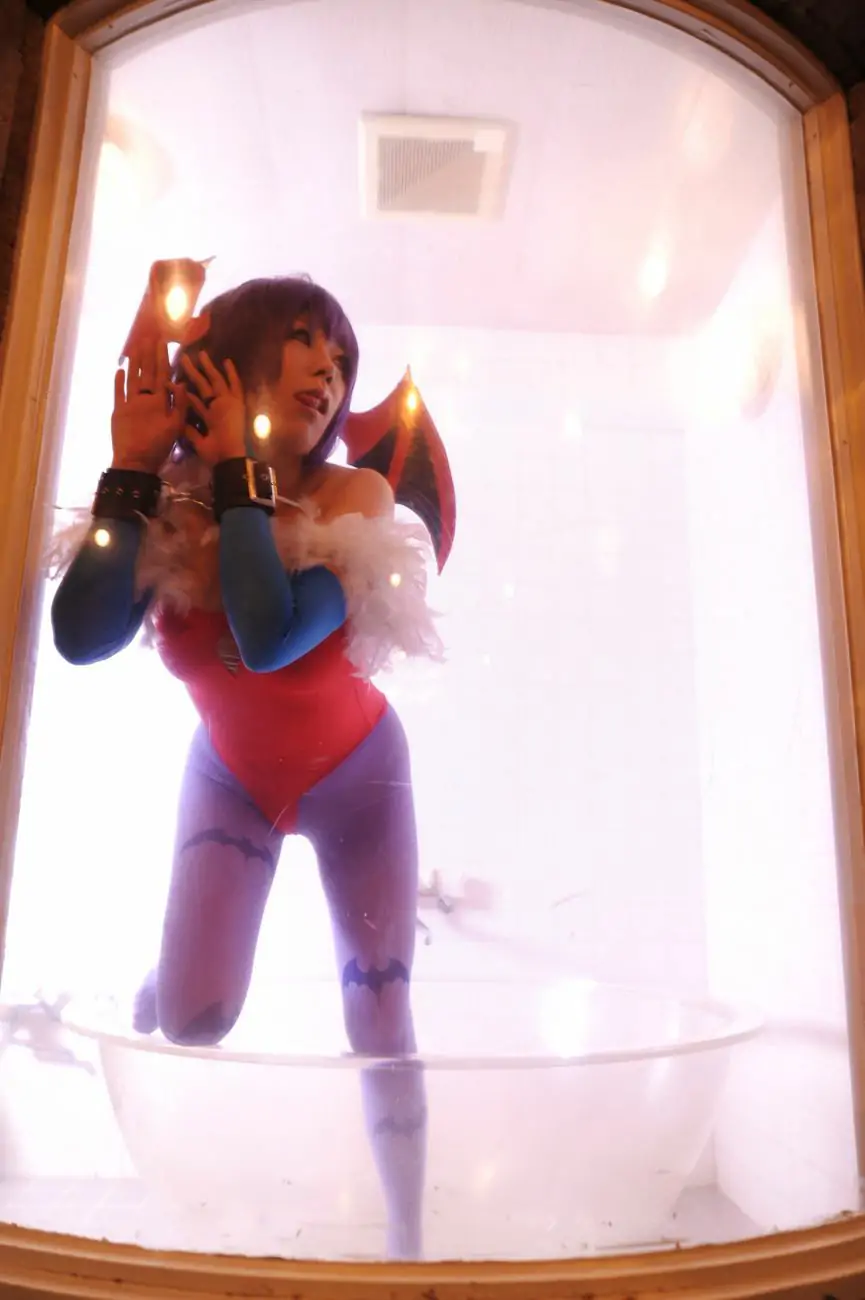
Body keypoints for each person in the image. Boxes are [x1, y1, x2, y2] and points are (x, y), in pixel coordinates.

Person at [49, 275, 447, 1259]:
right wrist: (131, 470)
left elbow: (268, 639)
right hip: (231, 779)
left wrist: (235, 472)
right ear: (230, 358)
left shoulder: (353, 496)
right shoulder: (170, 497)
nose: (329, 371)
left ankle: (409, 1240)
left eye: (341, 358)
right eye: (305, 339)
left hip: (359, 780)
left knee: (380, 1019)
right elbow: (81, 636)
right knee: (192, 1022)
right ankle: (172, 969)